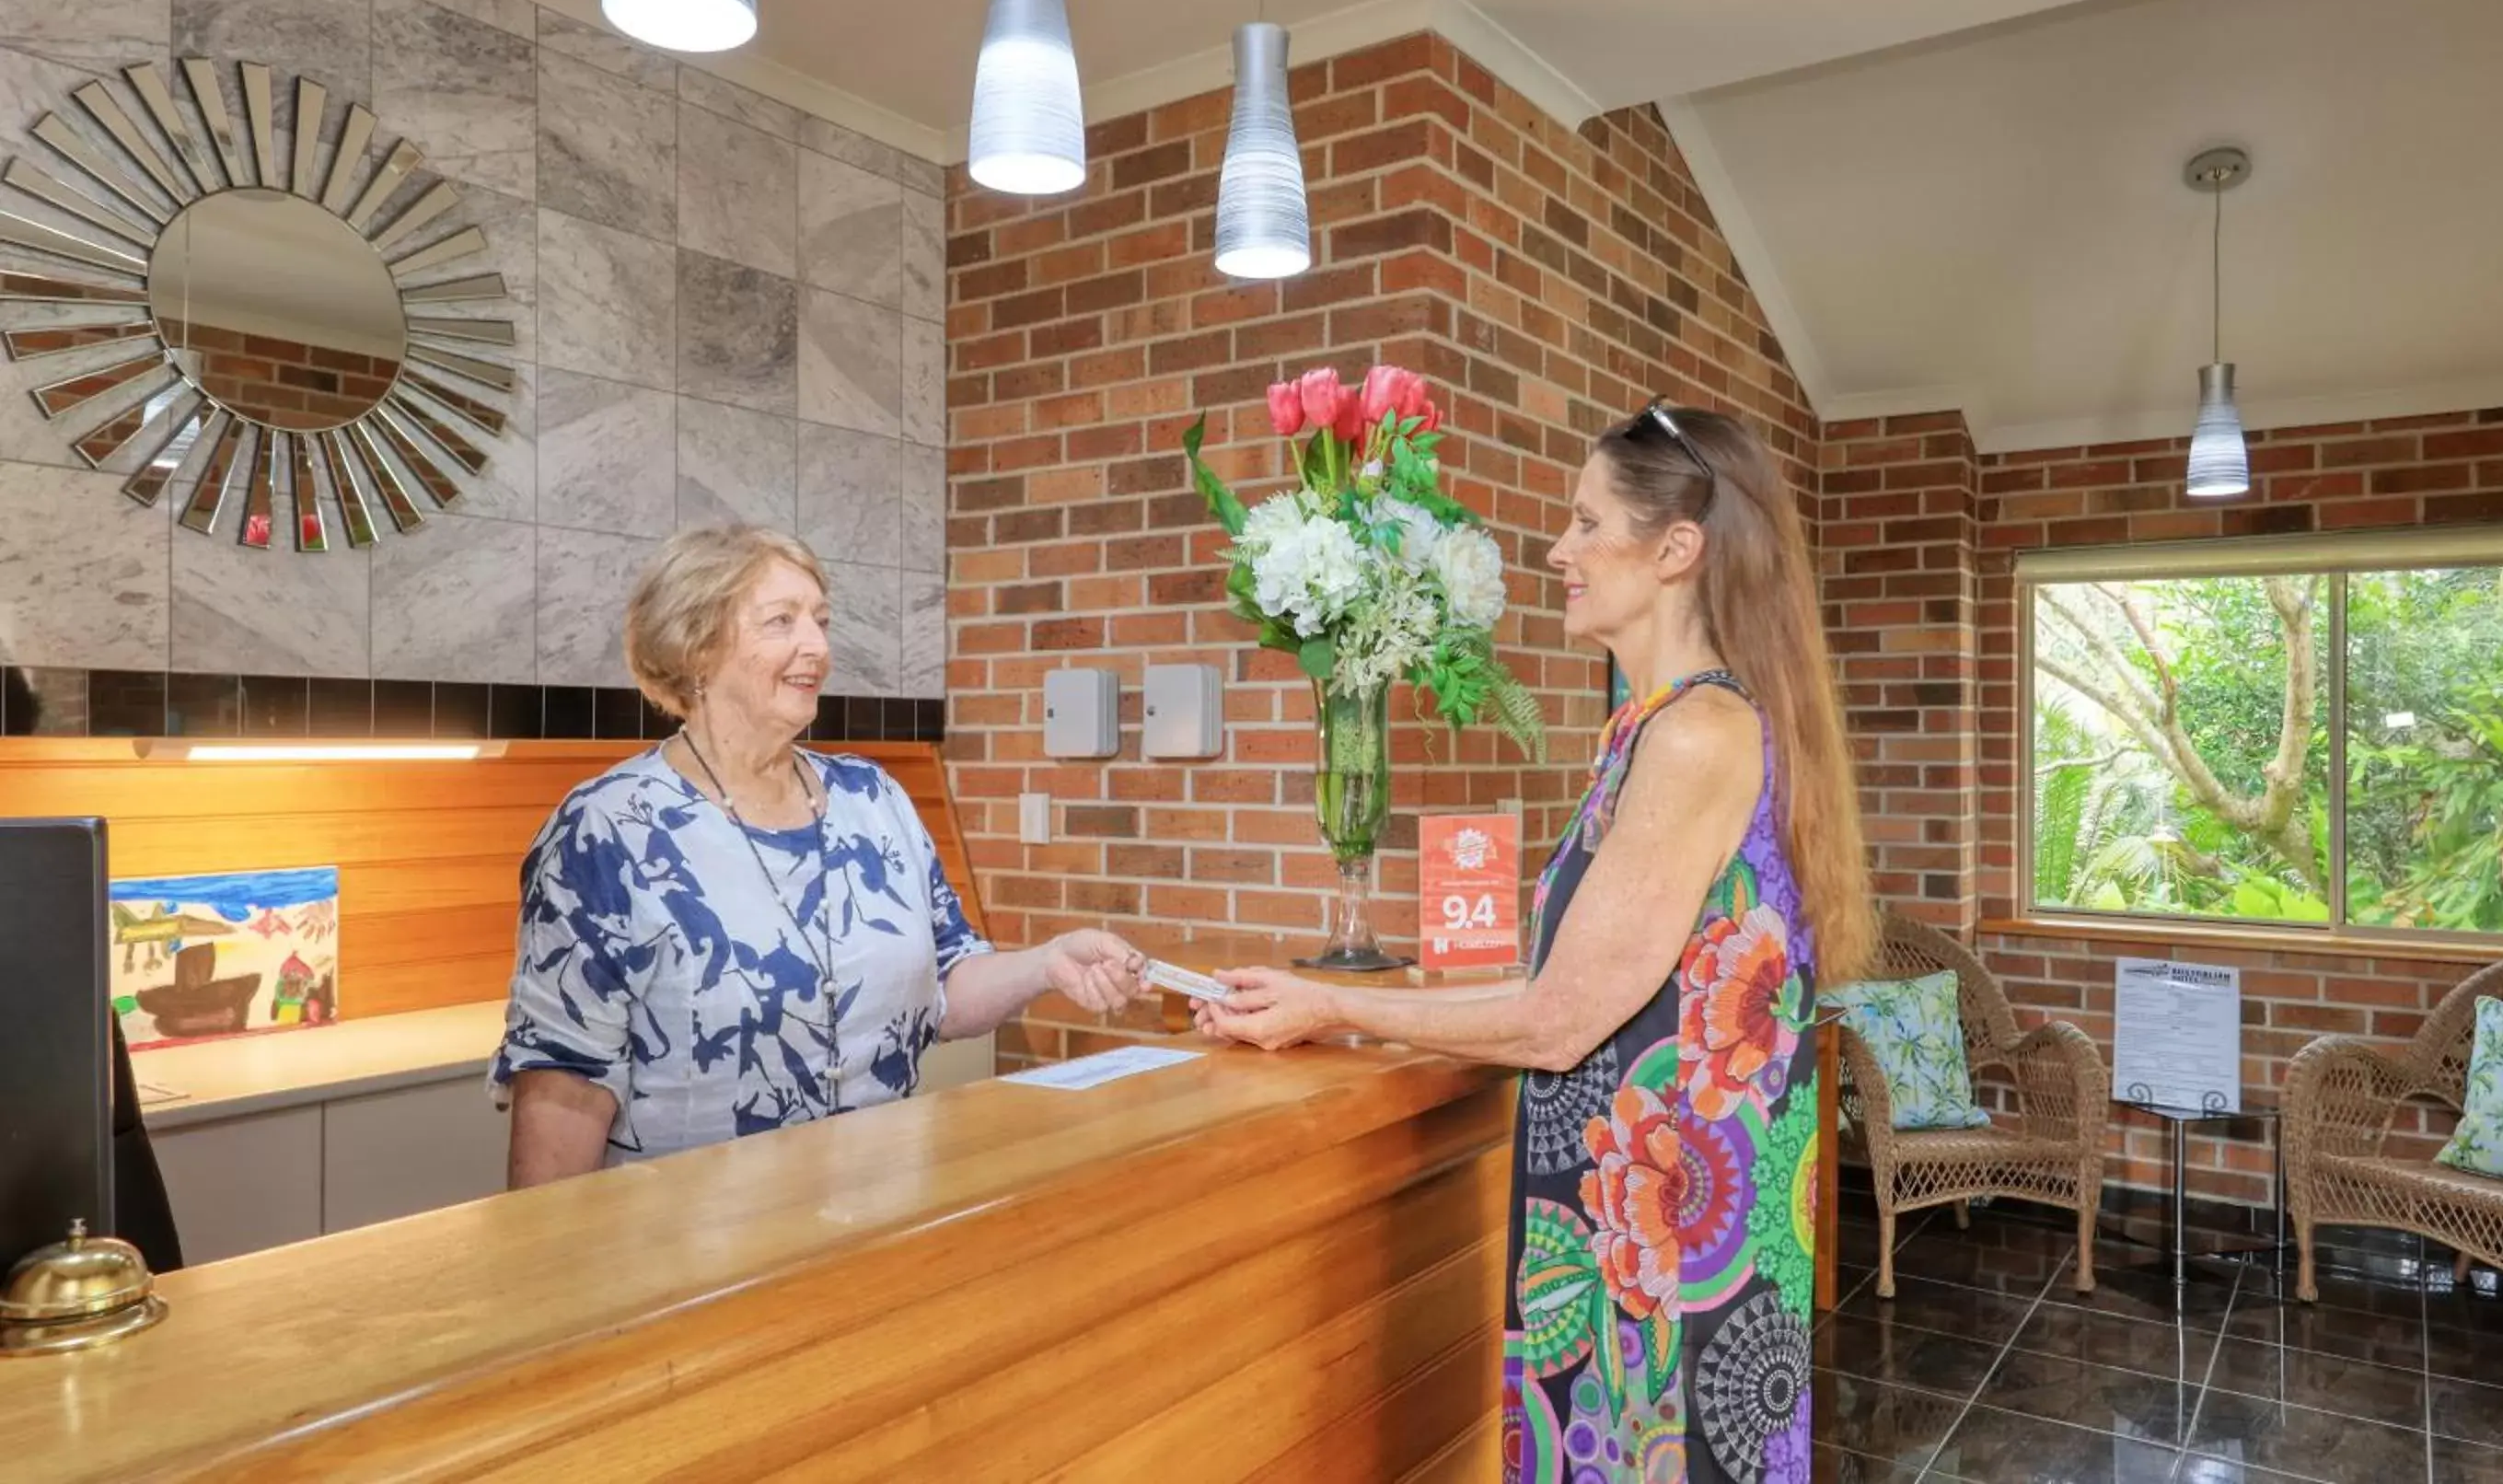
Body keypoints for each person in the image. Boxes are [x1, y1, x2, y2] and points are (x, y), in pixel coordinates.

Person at [1198, 401, 1872, 1484]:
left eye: (1585, 522)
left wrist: (1336, 1005)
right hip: (1635, 1232)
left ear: (1675, 549)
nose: (1557, 550)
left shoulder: (1698, 733)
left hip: (1669, 1269)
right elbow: (1590, 979)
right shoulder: (1648, 726)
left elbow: (1559, 1020)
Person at [492, 525, 1147, 1186]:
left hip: (880, 1215)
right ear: (695, 649)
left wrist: (1048, 963)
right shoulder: (606, 830)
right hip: (685, 1251)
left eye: (821, 620)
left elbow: (945, 984)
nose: (819, 647)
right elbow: (565, 1081)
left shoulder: (873, 798)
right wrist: (547, 1272)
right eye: (782, 621)